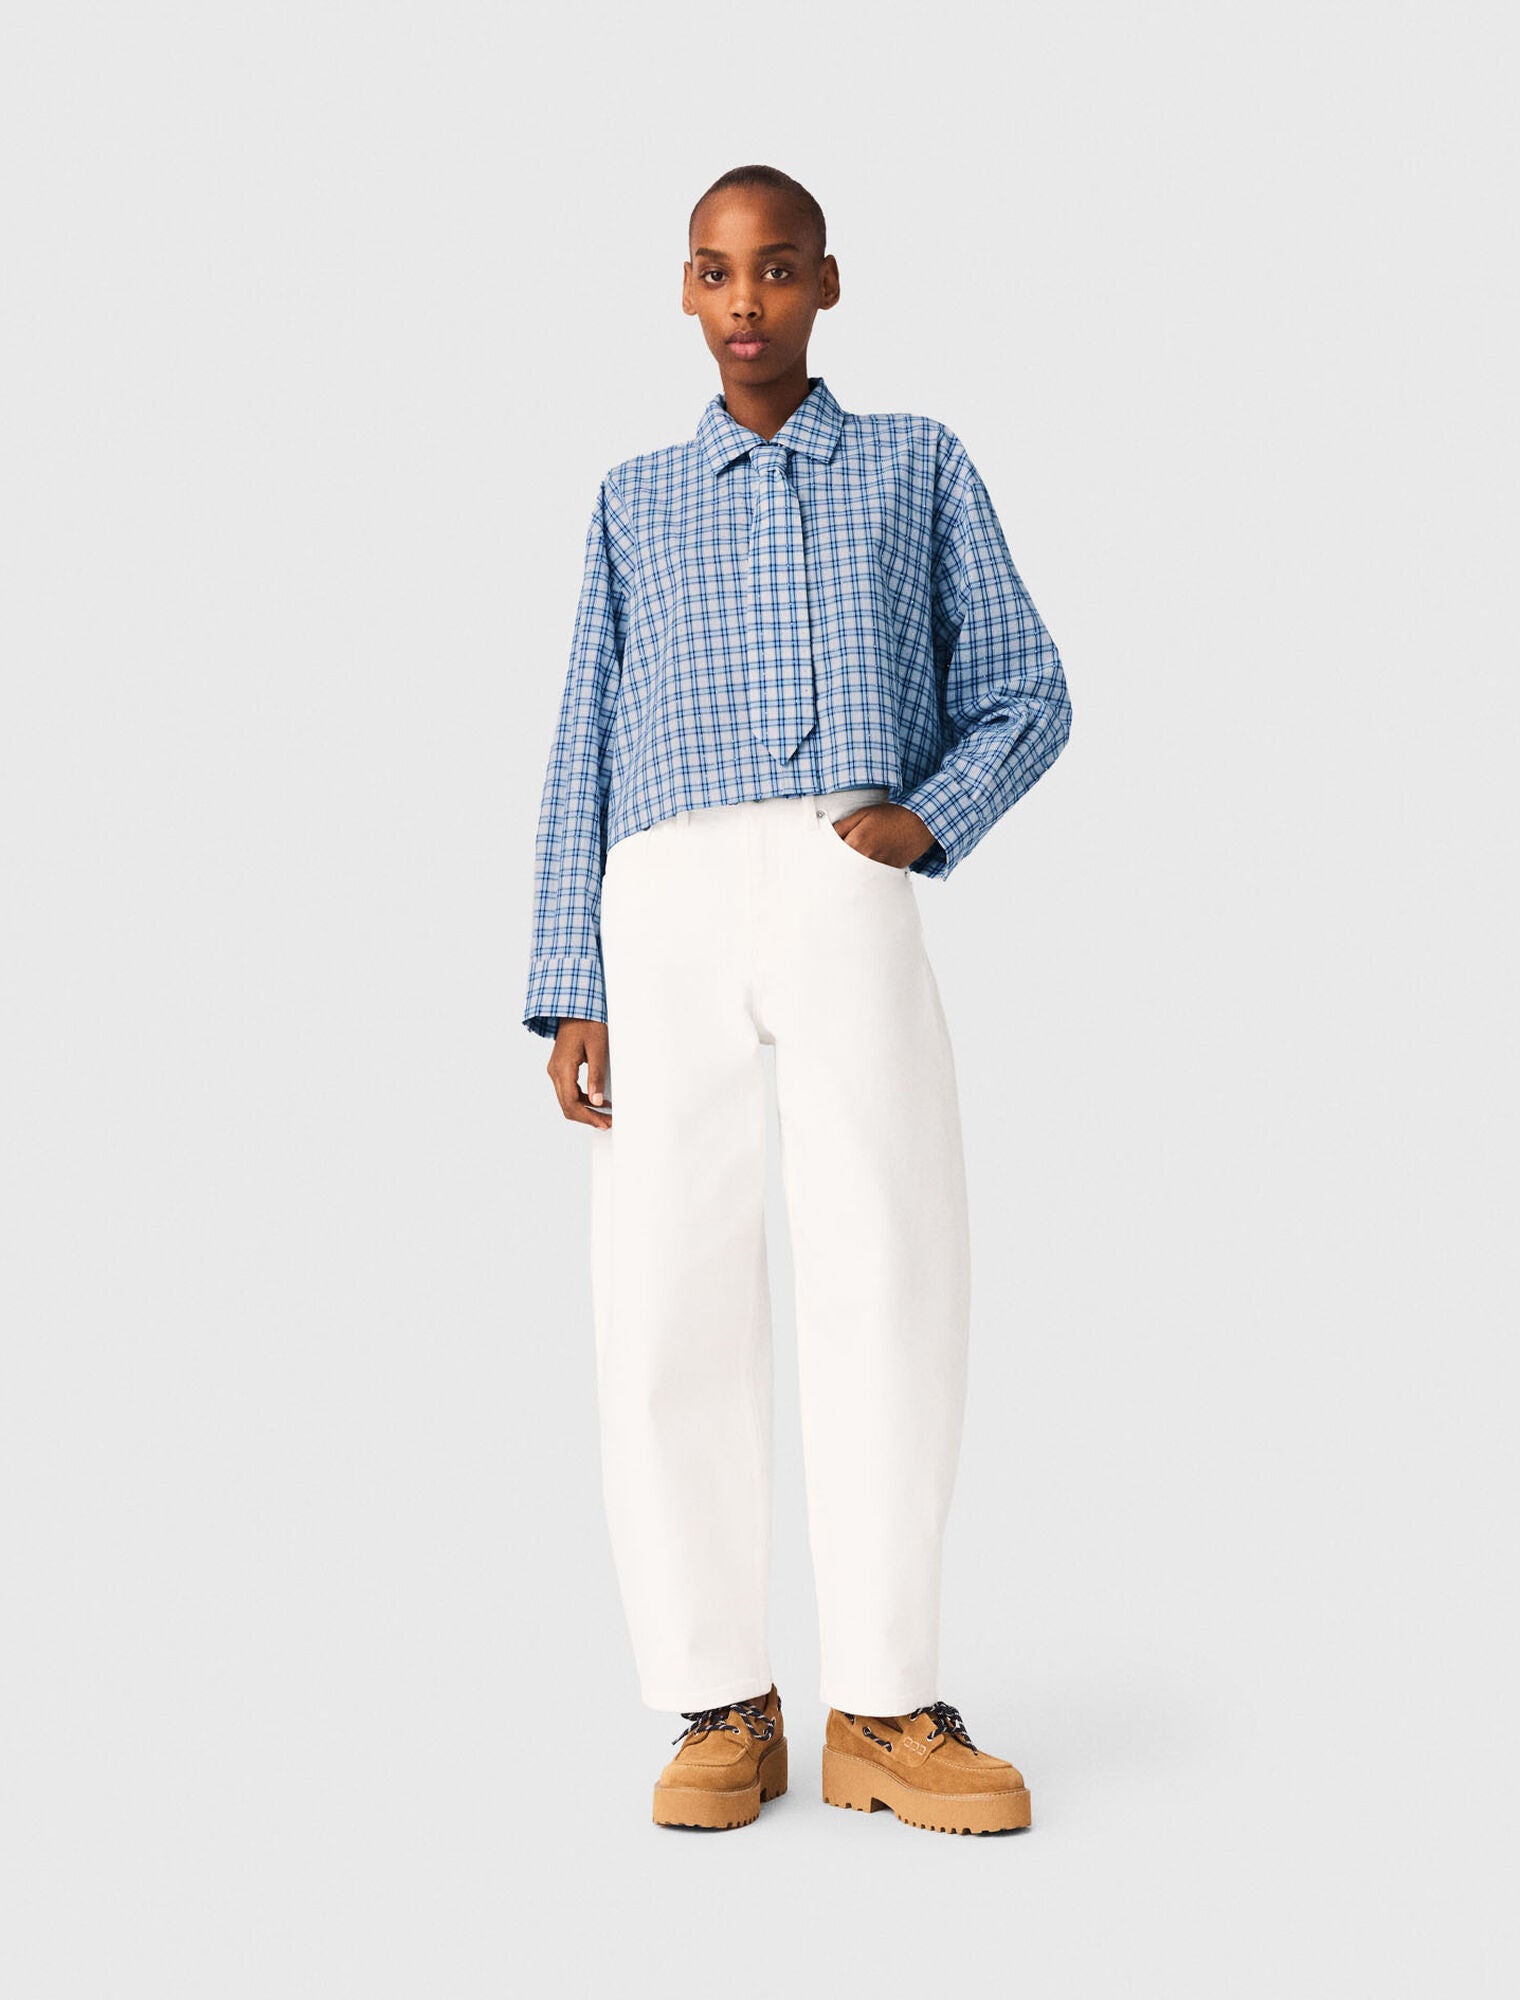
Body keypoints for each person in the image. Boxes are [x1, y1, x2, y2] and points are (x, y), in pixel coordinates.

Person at [522, 163, 1072, 1835]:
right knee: (665, 1284)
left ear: (828, 283)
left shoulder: (916, 462)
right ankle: (719, 1703)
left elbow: (1028, 686)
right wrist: (569, 985)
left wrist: (923, 821)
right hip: (662, 894)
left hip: (844, 874)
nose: (744, 300)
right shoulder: (633, 498)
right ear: (683, 292)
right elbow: (580, 739)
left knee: (888, 1261)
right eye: (713, 271)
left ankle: (885, 1706)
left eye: (774, 269)